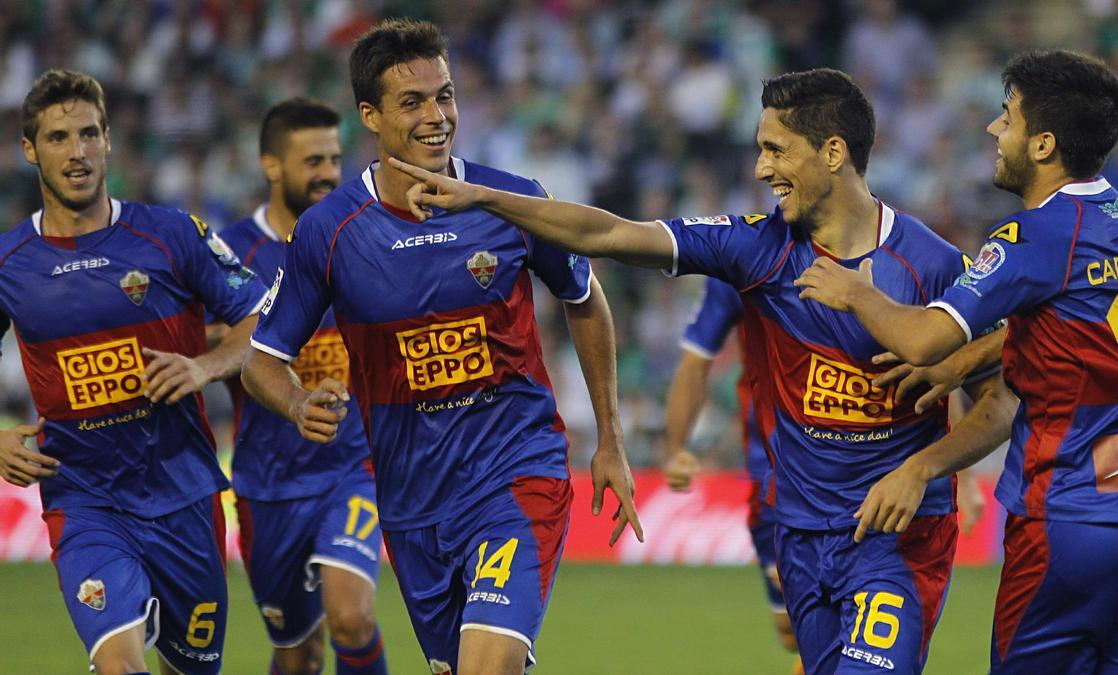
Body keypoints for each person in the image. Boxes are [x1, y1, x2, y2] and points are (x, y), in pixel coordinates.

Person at [393, 68, 1014, 674]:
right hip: (799, 536)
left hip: (898, 541)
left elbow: (999, 403)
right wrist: (484, 197)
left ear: (833, 152)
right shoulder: (756, 247)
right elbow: (611, 234)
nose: (760, 169)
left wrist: (923, 468)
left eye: (776, 149)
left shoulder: (934, 265)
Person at [240, 19, 641, 675]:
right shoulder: (328, 230)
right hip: (411, 500)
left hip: (515, 475)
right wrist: (294, 403)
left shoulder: (512, 200)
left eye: (445, 95)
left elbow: (584, 298)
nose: (437, 116)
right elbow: (263, 358)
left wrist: (611, 436)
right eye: (413, 102)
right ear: (369, 115)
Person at [796, 49, 1118, 673]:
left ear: (1042, 145)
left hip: (1075, 516)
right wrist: (968, 363)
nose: (993, 130)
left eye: (1005, 118)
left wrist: (859, 294)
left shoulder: (1032, 237)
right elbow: (1071, 329)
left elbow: (924, 340)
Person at [0, 70, 267, 674]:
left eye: (90, 133)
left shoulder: (172, 233)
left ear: (109, 139)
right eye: (59, 137)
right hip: (86, 498)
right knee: (121, 666)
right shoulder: (9, 262)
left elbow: (264, 318)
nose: (78, 152)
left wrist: (207, 366)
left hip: (186, 494)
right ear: (29, 150)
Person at [215, 98, 386, 675]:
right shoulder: (231, 252)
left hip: (350, 469)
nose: (329, 174)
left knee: (351, 618)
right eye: (313, 160)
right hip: (269, 485)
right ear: (271, 166)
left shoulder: (362, 235)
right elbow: (201, 342)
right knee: (297, 655)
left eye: (335, 159)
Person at [662, 277, 803, 675]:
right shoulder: (742, 264)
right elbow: (695, 361)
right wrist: (675, 449)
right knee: (791, 629)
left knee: (830, 621)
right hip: (770, 463)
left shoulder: (870, 259)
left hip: (847, 462)